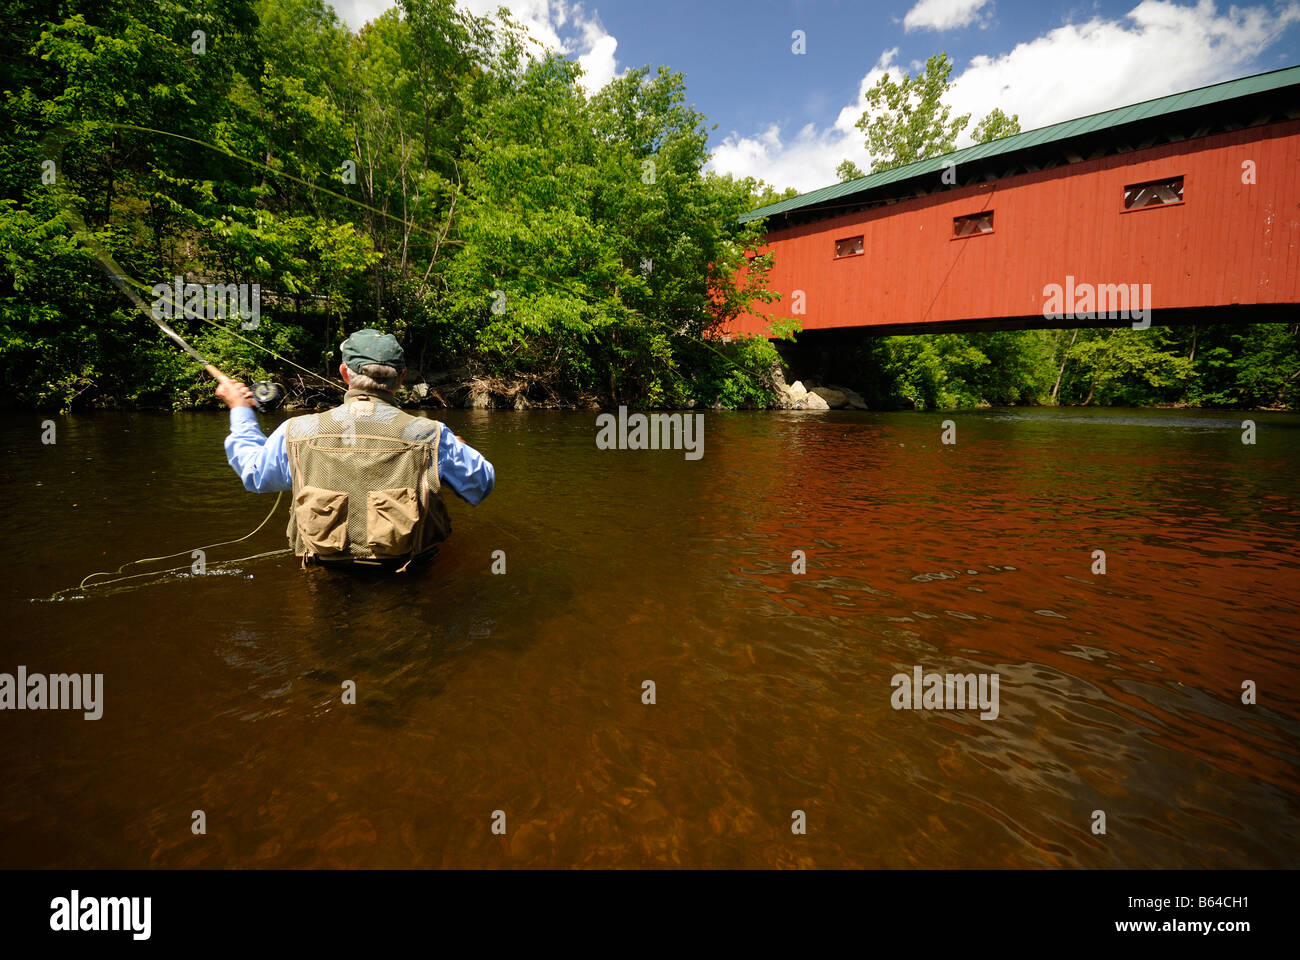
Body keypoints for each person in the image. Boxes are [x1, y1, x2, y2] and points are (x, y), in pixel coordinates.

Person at [216, 328, 494, 570]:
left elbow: (254, 476)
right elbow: (480, 485)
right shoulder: (432, 435)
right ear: (402, 377)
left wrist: (241, 411)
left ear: (344, 372)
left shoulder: (297, 431)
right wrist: (450, 447)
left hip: (326, 573)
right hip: (411, 572)